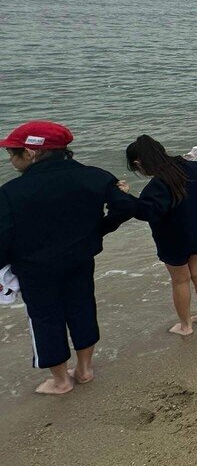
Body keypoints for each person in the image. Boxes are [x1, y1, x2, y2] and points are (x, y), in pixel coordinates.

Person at [0, 121, 134, 394]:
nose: (10, 158)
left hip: (34, 268)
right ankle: (84, 370)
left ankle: (61, 381)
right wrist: (100, 228)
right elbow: (126, 205)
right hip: (80, 258)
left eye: (12, 152)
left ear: (30, 153)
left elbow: (3, 236)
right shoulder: (96, 176)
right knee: (82, 308)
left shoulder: (10, 192)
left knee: (44, 318)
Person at [114, 135, 197, 336]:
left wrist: (125, 197)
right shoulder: (194, 167)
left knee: (180, 280)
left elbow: (149, 213)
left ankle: (185, 326)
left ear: (138, 163)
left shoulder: (156, 185)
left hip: (176, 238)